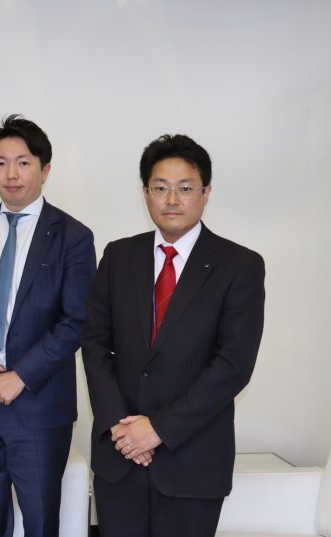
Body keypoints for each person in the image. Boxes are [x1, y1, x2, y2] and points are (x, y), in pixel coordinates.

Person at [82, 134, 265, 537]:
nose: (172, 200)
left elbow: (233, 364)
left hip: (192, 463)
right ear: (145, 193)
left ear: (206, 193)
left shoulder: (240, 265)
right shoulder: (118, 256)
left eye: (185, 188)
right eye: (160, 188)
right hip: (120, 459)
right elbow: (95, 344)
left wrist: (158, 429)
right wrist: (121, 428)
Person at [0, 115, 96, 537]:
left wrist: (21, 376)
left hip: (38, 406)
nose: (11, 174)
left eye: (23, 162)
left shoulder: (73, 236)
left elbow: (76, 321)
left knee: (40, 523)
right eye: (0, 163)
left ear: (45, 169)